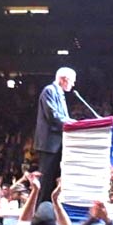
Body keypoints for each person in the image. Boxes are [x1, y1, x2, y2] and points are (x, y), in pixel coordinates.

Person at [34, 67, 76, 203]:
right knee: (46, 180)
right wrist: (73, 124)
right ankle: (40, 211)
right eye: (72, 81)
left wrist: (73, 123)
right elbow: (53, 116)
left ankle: (51, 209)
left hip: (58, 144)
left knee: (54, 180)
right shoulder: (49, 91)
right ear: (64, 79)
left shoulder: (60, 94)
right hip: (49, 144)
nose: (73, 84)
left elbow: (63, 117)